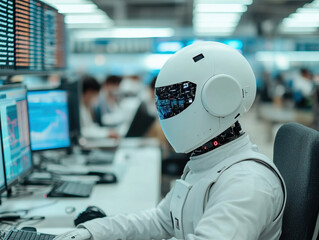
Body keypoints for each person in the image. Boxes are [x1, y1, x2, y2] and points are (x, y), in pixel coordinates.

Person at [55, 42, 286, 240]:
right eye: (164, 105)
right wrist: (93, 232)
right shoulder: (208, 162)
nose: (167, 113)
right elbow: (161, 220)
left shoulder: (246, 183)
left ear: (219, 99)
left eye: (175, 102)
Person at [80, 75, 118, 139]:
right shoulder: (79, 109)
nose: (96, 98)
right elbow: (84, 132)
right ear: (89, 93)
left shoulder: (85, 107)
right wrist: (106, 133)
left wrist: (107, 132)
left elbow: (90, 128)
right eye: (95, 94)